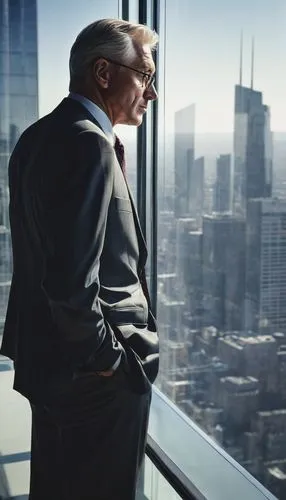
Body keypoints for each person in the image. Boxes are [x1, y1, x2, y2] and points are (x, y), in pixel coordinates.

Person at [0, 18, 159, 500]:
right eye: (146, 76)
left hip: (49, 365)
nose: (151, 93)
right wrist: (110, 363)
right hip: (92, 381)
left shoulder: (35, 137)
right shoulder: (89, 143)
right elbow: (72, 283)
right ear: (104, 72)